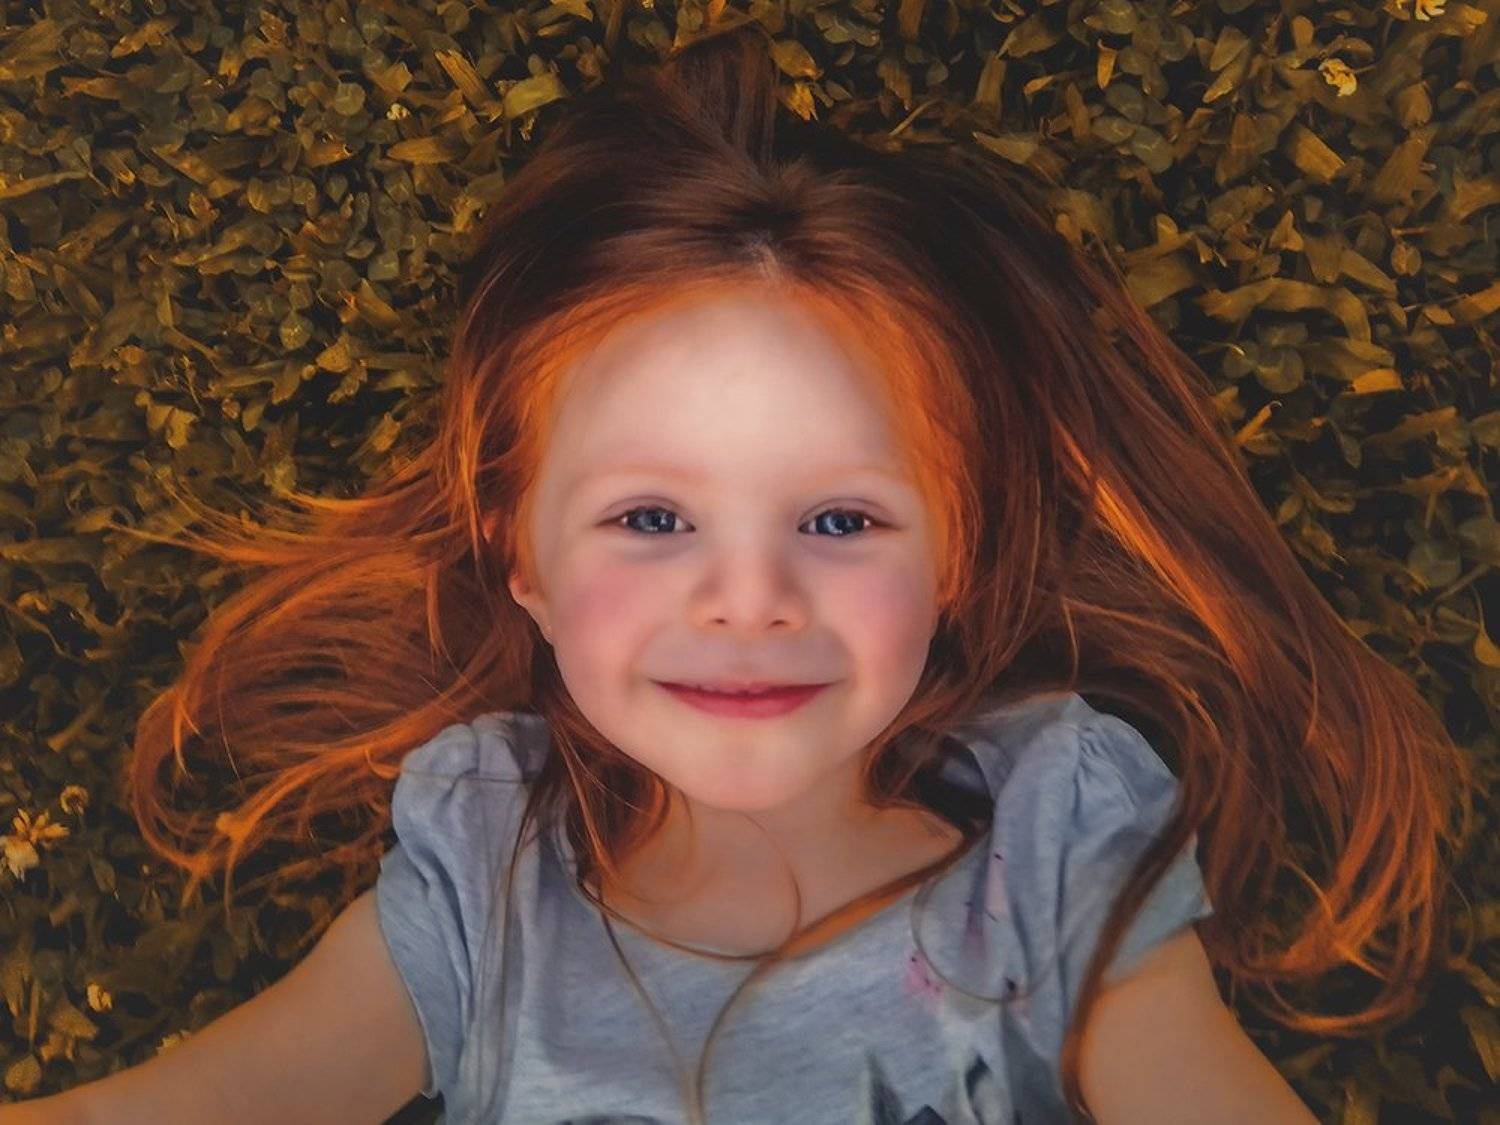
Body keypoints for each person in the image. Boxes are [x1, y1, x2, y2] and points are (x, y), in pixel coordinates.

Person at [13, 20, 1474, 1125]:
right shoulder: (489, 870)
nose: (750, 598)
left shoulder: (1050, 840)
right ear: (518, 552)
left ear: (960, 552)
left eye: (839, 521)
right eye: (652, 518)